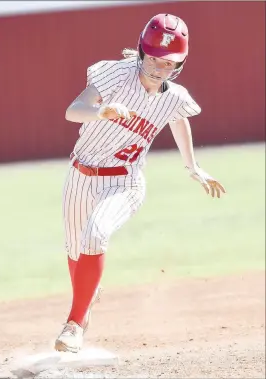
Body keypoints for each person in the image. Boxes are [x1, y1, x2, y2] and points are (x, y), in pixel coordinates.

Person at [55, 13, 226, 353]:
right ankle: (86, 301)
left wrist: (193, 166)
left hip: (125, 182)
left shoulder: (173, 95)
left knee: (96, 234)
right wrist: (100, 111)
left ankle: (74, 324)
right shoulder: (116, 74)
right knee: (76, 253)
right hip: (80, 175)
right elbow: (74, 110)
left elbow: (178, 120)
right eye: (153, 59)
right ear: (141, 51)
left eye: (169, 63)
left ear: (179, 64)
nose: (159, 68)